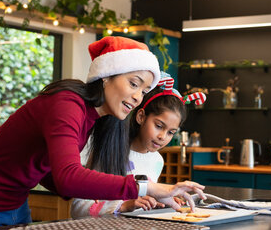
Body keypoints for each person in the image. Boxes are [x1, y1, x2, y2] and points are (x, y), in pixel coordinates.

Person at [0, 36, 206, 228]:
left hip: (15, 204)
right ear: (107, 76)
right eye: (133, 83)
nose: (138, 96)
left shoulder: (93, 116)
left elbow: (52, 171)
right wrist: (149, 188)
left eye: (144, 90)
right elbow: (68, 177)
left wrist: (97, 197)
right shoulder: (67, 104)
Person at [71, 75, 207, 218]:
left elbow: (143, 201)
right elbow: (79, 208)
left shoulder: (157, 161)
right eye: (159, 126)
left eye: (171, 132)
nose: (162, 136)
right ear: (141, 117)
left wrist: (160, 200)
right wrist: (123, 206)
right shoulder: (109, 150)